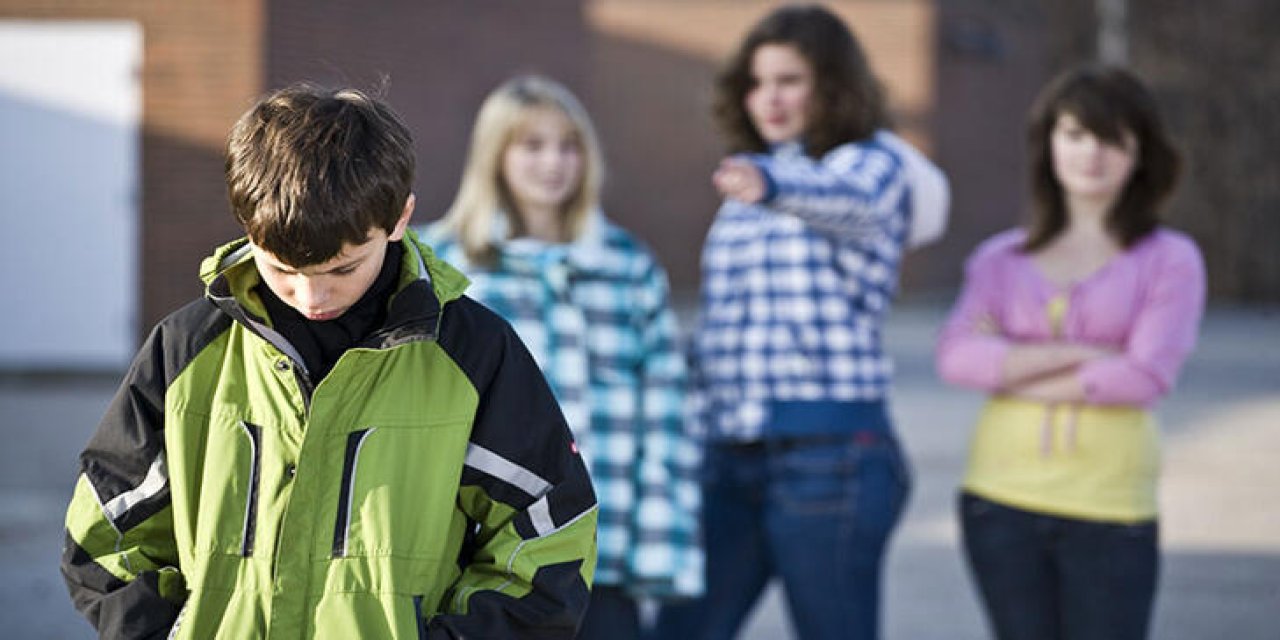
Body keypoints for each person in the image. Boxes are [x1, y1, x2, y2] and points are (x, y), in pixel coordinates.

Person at [60, 83, 599, 639]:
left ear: (400, 219)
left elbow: (547, 540)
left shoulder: (473, 353)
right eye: (281, 270)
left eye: (343, 269)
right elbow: (107, 535)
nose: (311, 298)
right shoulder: (186, 350)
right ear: (248, 227)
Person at [653, 5, 950, 640]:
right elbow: (727, 325)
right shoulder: (749, 187)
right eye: (758, 83)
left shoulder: (872, 165)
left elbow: (851, 203)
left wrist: (769, 179)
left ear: (833, 84)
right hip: (730, 450)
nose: (770, 98)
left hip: (830, 453)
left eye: (789, 80)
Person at [420, 74, 702, 640]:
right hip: (489, 560)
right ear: (495, 155)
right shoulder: (442, 268)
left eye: (569, 145)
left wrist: (657, 553)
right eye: (532, 145)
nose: (555, 162)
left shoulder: (628, 266)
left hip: (607, 554)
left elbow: (667, 418)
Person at [935, 65, 1206, 640]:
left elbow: (1144, 376)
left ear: (1140, 153)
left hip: (1109, 504)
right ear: (1048, 144)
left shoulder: (1169, 259)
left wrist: (1010, 364)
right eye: (1075, 134)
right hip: (999, 499)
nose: (1091, 154)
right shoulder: (999, 260)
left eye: (1112, 139)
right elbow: (956, 358)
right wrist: (1088, 351)